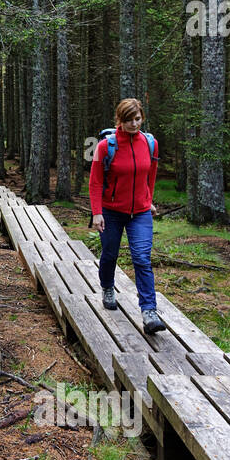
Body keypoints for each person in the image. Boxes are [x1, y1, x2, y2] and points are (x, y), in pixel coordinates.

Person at [88, 98, 167, 333]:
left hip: (140, 212)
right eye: (129, 120)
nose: (134, 124)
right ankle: (108, 287)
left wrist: (148, 199)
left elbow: (150, 175)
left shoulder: (150, 144)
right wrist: (97, 213)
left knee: (142, 258)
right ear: (119, 120)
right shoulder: (105, 147)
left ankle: (149, 311)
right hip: (111, 212)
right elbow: (95, 182)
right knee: (110, 254)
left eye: (137, 119)